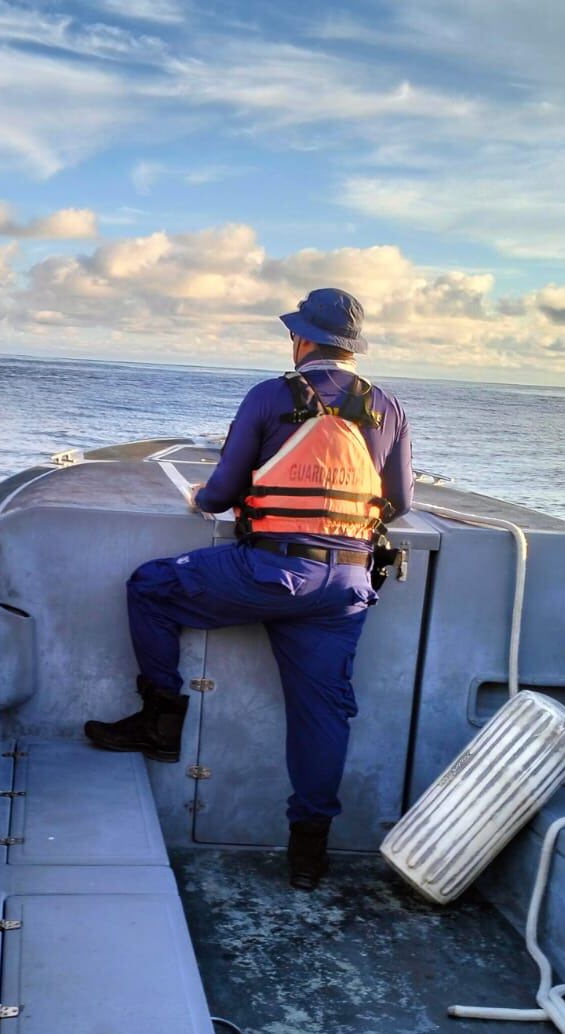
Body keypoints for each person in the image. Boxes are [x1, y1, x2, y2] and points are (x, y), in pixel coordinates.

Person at [84, 288, 413, 890]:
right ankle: (307, 854)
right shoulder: (385, 406)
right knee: (323, 716)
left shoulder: (270, 396)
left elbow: (221, 492)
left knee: (151, 587)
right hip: (345, 586)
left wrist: (201, 499)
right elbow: (402, 500)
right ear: (353, 350)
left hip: (270, 574)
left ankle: (158, 725)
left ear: (302, 340)